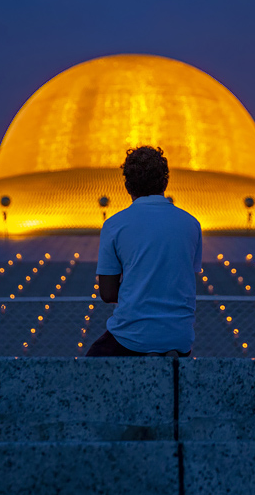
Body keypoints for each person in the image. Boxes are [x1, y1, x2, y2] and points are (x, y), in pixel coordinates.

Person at [85, 146, 203, 357]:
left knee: (89, 370)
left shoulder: (115, 225)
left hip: (133, 336)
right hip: (180, 337)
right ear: (165, 181)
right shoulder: (191, 224)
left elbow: (108, 293)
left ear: (127, 185)